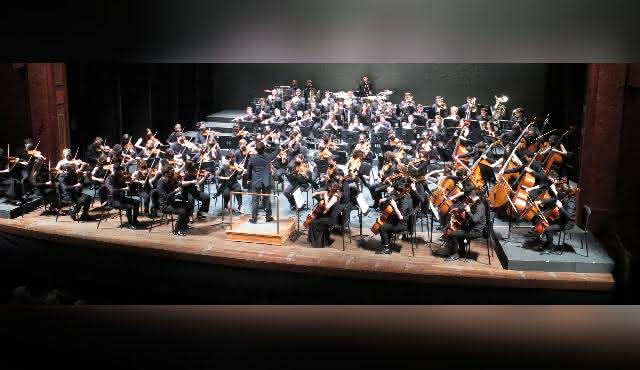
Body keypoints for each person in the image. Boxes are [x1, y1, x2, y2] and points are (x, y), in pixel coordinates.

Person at [434, 191, 486, 260]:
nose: (470, 197)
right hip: (470, 227)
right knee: (458, 230)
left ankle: (455, 254)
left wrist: (468, 211)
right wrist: (458, 209)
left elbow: (474, 220)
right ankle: (462, 252)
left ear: (478, 197)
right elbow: (466, 208)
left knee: (453, 234)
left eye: (473, 196)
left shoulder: (480, 207)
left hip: (476, 231)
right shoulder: (475, 203)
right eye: (471, 195)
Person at [376, 180, 414, 255]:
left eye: (395, 192)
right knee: (387, 221)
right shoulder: (405, 195)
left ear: (399, 192)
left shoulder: (405, 202)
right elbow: (395, 198)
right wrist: (386, 199)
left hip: (403, 225)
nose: (394, 194)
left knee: (382, 227)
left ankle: (386, 248)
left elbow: (401, 217)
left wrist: (395, 207)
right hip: (399, 221)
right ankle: (386, 243)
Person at [105, 164, 143, 229]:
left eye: (120, 171)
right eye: (119, 171)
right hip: (112, 200)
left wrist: (130, 183)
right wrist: (123, 189)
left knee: (137, 202)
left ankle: (135, 220)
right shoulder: (109, 179)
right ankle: (130, 224)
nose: (121, 172)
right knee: (129, 206)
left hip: (120, 198)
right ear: (114, 170)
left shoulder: (119, 177)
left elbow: (125, 185)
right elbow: (112, 191)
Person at [156, 166, 190, 236]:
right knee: (182, 211)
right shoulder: (160, 184)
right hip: (165, 206)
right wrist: (175, 191)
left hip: (171, 202)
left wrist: (180, 183)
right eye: (171, 173)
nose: (172, 174)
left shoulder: (168, 181)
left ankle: (184, 224)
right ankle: (177, 230)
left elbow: (175, 187)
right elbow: (166, 197)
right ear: (165, 174)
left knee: (188, 204)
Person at [307, 182, 342, 248]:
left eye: (329, 187)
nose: (328, 188)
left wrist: (325, 199)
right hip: (330, 215)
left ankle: (318, 243)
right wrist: (316, 193)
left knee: (314, 222)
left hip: (333, 219)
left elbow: (327, 207)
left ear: (332, 188)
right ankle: (321, 240)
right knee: (316, 218)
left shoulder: (335, 197)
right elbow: (324, 192)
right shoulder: (332, 192)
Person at [247, 142, 275, 223]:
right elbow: (276, 150)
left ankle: (254, 218)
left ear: (256, 149)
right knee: (267, 198)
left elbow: (249, 170)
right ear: (264, 149)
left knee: (255, 200)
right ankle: (268, 217)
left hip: (256, 181)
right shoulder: (268, 157)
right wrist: (273, 144)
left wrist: (249, 179)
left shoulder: (252, 158)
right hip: (266, 180)